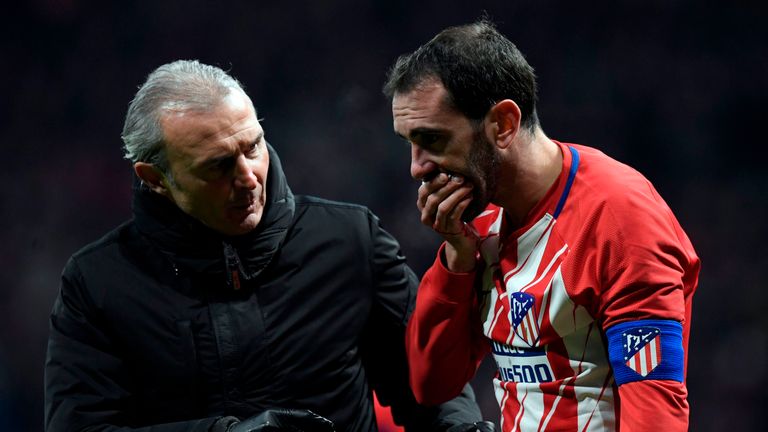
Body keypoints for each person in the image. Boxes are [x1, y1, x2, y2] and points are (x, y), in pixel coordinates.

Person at [43, 60, 492, 432]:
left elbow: (429, 386)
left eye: (253, 146)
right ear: (156, 180)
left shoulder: (350, 239)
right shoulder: (98, 284)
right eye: (218, 166)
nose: (247, 177)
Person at [383, 21, 700, 431]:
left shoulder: (620, 219)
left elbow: (656, 415)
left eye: (434, 140)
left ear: (502, 124)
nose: (416, 167)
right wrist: (457, 260)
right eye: (409, 141)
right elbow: (431, 385)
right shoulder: (481, 218)